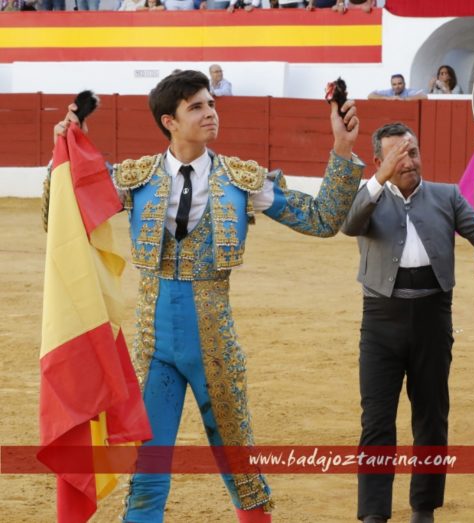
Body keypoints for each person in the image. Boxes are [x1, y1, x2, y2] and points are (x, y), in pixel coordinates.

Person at [49, 70, 364, 523]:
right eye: (196, 106)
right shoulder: (135, 179)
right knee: (147, 472)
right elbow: (63, 213)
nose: (210, 113)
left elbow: (321, 219)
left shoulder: (241, 179)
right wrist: (60, 157)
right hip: (153, 347)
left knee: (242, 471)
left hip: (214, 345)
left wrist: (342, 149)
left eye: (211, 103)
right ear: (169, 121)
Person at [341, 122, 474, 523]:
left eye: (412, 152)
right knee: (376, 419)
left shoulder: (446, 196)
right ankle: (374, 512)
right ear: (379, 162)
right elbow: (350, 224)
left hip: (432, 315)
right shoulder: (368, 197)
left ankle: (423, 507)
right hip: (380, 320)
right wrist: (378, 179)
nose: (408, 162)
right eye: (397, 155)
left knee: (431, 415)